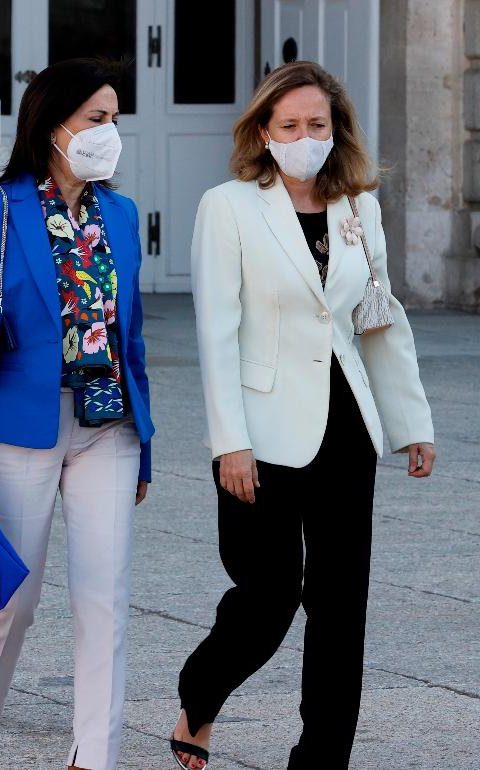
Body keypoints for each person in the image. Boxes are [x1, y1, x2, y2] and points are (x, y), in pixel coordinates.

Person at [169, 60, 437, 770]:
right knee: (268, 597)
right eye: (290, 125)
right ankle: (200, 695)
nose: (305, 136)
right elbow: (217, 334)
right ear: (264, 131)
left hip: (346, 426)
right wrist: (230, 442)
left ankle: (322, 760)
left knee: (341, 608)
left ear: (336, 129)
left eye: (317, 124)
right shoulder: (227, 206)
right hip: (260, 430)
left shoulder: (360, 207)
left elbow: (379, 321)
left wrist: (411, 422)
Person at [0, 58, 153, 770]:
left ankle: (94, 758)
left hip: (108, 425)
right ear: (52, 125)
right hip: (16, 428)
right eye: (96, 118)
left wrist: (145, 443)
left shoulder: (118, 213)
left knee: (103, 599)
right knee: (12, 598)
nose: (109, 132)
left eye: (115, 118)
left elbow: (131, 335)